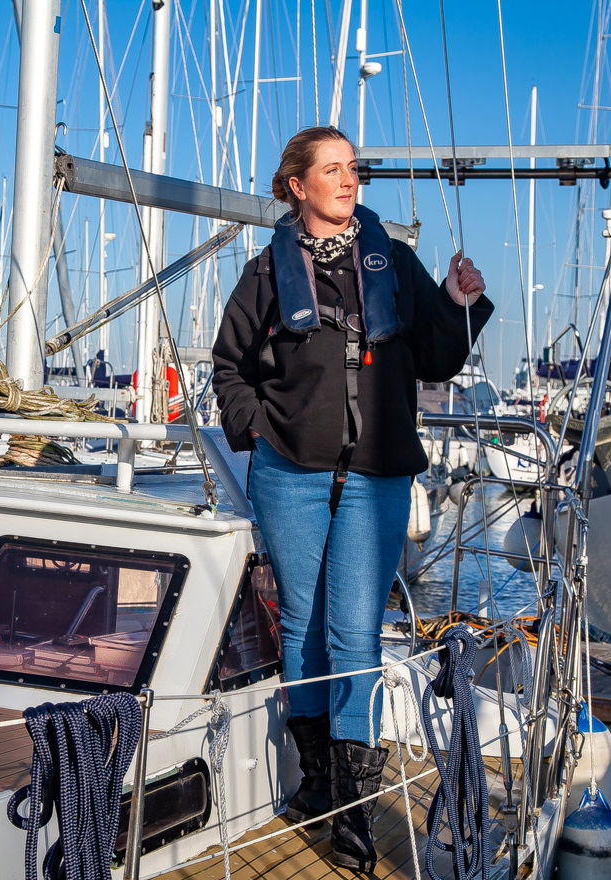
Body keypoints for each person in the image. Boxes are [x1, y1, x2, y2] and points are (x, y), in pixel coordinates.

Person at [211, 126, 491, 871]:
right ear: (298, 185)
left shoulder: (392, 261)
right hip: (289, 472)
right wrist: (258, 431)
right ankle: (315, 779)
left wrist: (464, 302)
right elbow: (229, 367)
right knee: (300, 624)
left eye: (353, 168)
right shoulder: (268, 274)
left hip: (377, 474)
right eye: (331, 169)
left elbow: (438, 354)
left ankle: (354, 811)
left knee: (354, 633)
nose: (349, 179)